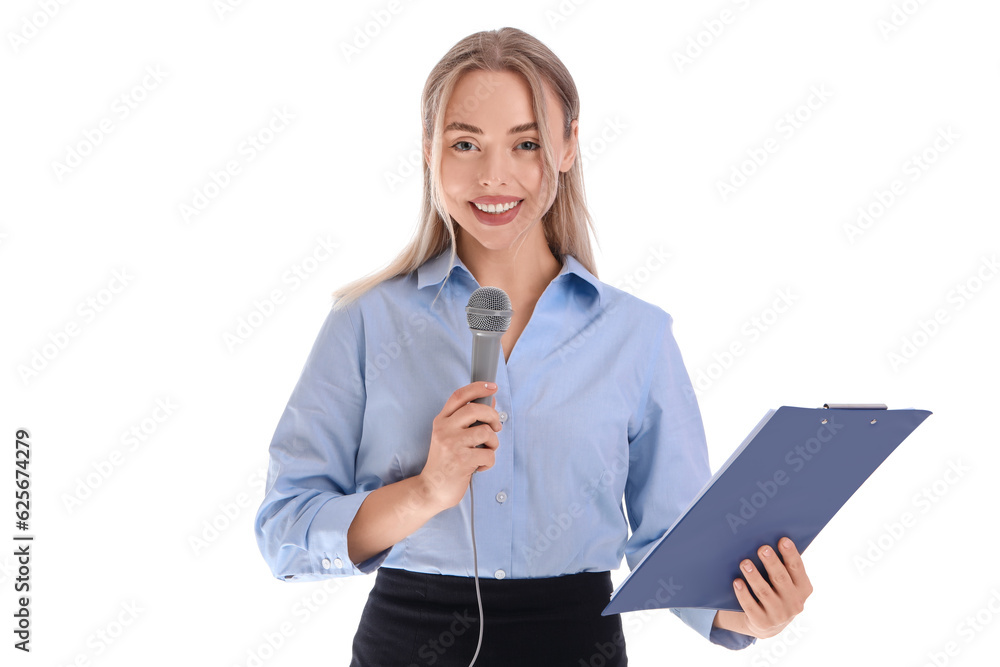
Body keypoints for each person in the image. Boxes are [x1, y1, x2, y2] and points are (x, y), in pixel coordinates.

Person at [254, 27, 813, 666]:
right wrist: (428, 490)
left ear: (569, 145)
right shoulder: (365, 322)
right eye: (466, 143)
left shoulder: (638, 336)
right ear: (430, 150)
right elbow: (285, 532)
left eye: (526, 144)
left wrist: (750, 612)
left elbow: (671, 547)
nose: (496, 177)